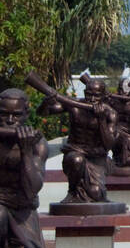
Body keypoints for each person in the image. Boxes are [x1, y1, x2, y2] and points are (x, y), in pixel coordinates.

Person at [31, 74, 118, 204]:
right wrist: (45, 103)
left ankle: (90, 191)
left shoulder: (110, 113)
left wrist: (101, 120)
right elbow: (43, 113)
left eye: (97, 96)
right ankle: (72, 192)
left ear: (104, 96)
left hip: (96, 158)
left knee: (96, 194)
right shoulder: (74, 105)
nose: (92, 99)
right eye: (89, 94)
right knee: (77, 159)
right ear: (84, 92)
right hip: (74, 154)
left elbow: (109, 144)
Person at [0, 88, 58, 248]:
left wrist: (25, 152)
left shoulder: (37, 143)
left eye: (16, 115)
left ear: (26, 114)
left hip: (22, 214)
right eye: (3, 114)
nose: (9, 120)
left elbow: (33, 188)